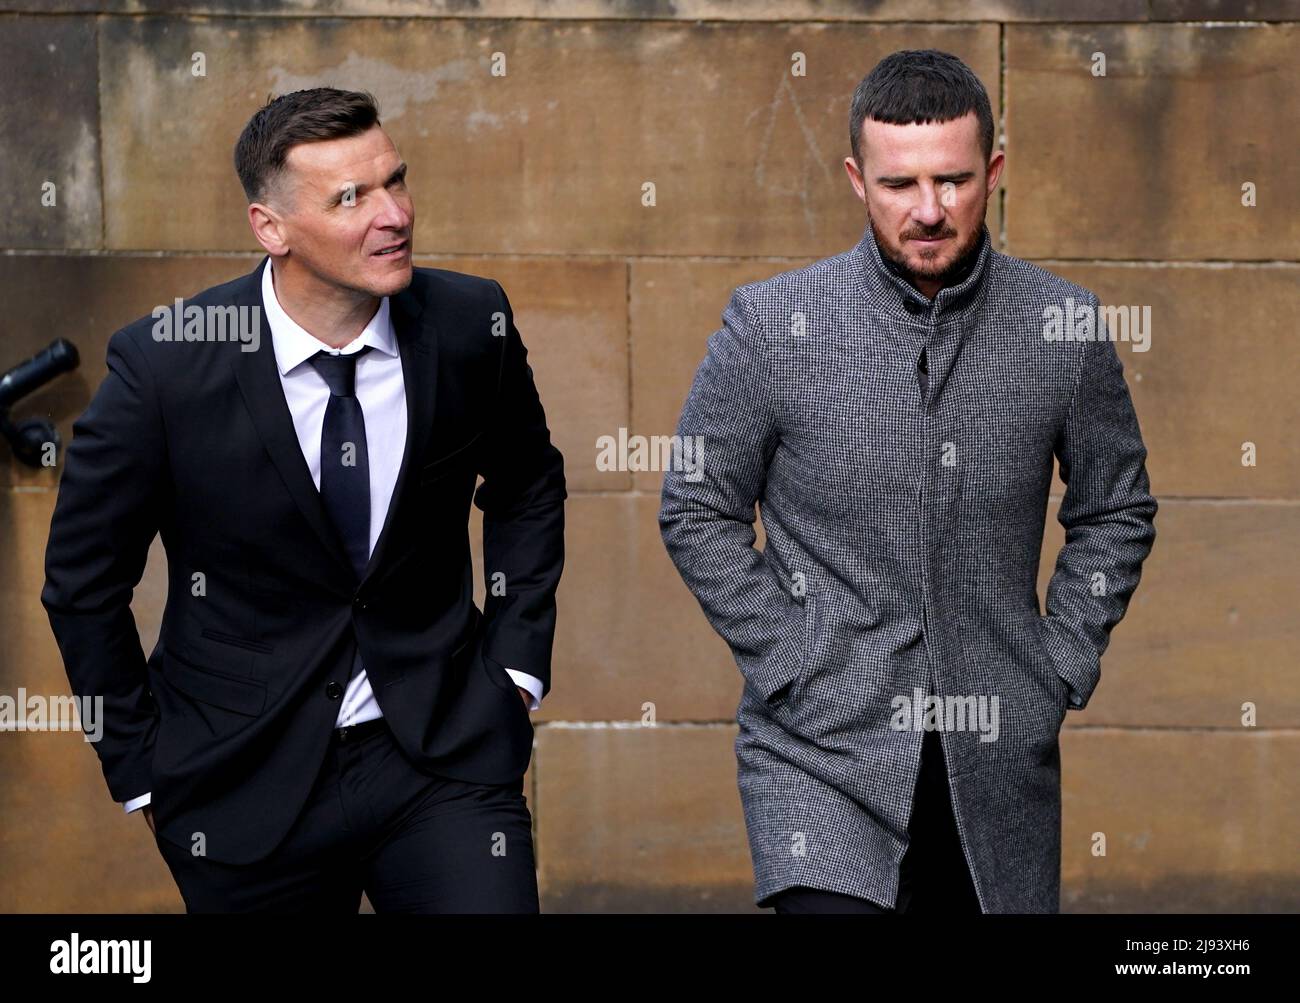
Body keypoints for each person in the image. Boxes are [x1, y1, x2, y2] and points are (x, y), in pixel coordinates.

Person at [42, 87, 566, 913]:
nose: (393, 214)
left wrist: (518, 665)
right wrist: (140, 768)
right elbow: (82, 582)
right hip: (240, 780)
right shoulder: (164, 368)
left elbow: (528, 482)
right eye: (351, 198)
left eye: (396, 181)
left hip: (442, 755)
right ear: (271, 228)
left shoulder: (470, 324)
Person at [659, 49, 1156, 914]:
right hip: (818, 754)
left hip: (998, 756)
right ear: (857, 178)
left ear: (994, 172)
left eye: (954, 181)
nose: (929, 211)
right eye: (899, 185)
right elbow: (697, 504)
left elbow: (1115, 507)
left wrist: (1061, 659)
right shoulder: (771, 326)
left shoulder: (1062, 327)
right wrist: (792, 657)